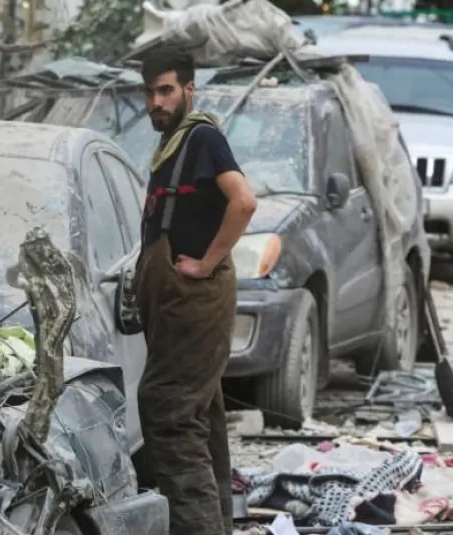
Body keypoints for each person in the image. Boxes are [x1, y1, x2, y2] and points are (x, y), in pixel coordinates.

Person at [134, 44, 257, 535]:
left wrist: (206, 262)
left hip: (193, 299)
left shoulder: (201, 137)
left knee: (169, 412)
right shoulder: (174, 146)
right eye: (150, 93)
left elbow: (243, 202)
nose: (156, 102)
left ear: (189, 89)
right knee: (200, 416)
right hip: (175, 302)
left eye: (166, 91)